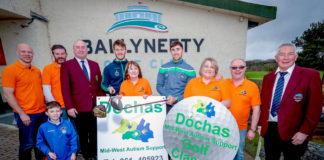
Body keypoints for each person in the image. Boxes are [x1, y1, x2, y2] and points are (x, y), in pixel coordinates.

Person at [258, 43, 323, 160]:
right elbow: (264, 104)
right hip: (270, 129)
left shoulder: (310, 75)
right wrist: (260, 124)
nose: (286, 57)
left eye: (290, 54)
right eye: (282, 54)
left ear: (296, 57)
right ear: (276, 58)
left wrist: (304, 132)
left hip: (295, 131)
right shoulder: (268, 78)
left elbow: (315, 108)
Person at [1, 43, 46, 160]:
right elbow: (7, 94)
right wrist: (21, 113)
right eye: (23, 51)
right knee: (27, 144)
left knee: (40, 143)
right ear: (17, 53)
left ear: (33, 54)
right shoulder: (10, 70)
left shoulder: (36, 70)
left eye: (29, 52)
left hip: (41, 113)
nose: (27, 54)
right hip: (26, 115)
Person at [61, 40, 104, 160]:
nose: (81, 49)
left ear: (87, 49)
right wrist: (69, 107)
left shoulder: (94, 64)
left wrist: (103, 104)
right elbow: (65, 88)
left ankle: (95, 153)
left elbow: (99, 85)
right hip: (78, 107)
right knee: (83, 134)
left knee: (96, 132)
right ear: (73, 50)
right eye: (78, 47)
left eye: (83, 47)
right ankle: (87, 155)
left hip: (96, 106)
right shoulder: (67, 65)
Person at [223, 58, 261, 160]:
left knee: (238, 154)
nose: (237, 70)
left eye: (241, 67)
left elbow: (256, 110)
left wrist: (252, 129)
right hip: (221, 128)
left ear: (245, 69)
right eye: (234, 67)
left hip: (240, 129)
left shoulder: (252, 87)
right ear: (230, 69)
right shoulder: (223, 83)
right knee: (221, 153)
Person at [156, 41, 196, 113]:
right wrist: (167, 96)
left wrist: (177, 99)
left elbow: (191, 91)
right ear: (170, 52)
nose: (175, 52)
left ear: (182, 51)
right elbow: (159, 86)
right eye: (173, 50)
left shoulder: (190, 70)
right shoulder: (163, 67)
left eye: (178, 49)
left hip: (183, 105)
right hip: (166, 105)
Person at [42, 44, 68, 120]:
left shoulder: (70, 66)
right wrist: (55, 107)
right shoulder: (48, 69)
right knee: (62, 129)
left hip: (73, 106)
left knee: (74, 129)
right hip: (59, 107)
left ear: (66, 54)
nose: (60, 56)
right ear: (53, 55)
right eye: (57, 54)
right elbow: (46, 90)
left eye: (62, 54)